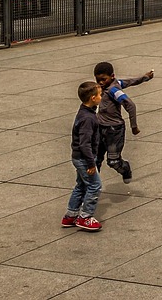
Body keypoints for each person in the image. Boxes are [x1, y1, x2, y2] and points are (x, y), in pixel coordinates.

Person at [93, 61, 154, 183]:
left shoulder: (113, 90)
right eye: (98, 80)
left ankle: (125, 168)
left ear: (112, 76)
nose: (100, 83)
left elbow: (130, 105)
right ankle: (93, 184)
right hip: (100, 128)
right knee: (95, 159)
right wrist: (145, 77)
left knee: (113, 161)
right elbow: (130, 81)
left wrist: (134, 126)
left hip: (113, 131)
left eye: (103, 79)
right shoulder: (110, 85)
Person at [63, 81, 104, 231]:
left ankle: (71, 215)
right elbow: (84, 143)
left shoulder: (85, 112)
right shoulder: (88, 118)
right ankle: (85, 217)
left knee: (81, 185)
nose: (101, 97)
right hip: (84, 158)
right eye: (100, 95)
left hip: (80, 157)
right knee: (95, 185)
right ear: (93, 98)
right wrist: (91, 163)